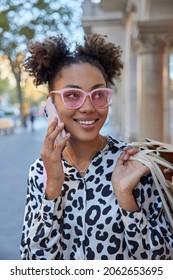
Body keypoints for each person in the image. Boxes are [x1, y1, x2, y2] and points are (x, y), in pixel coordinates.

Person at [20, 34, 173, 260]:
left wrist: (124, 195)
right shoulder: (39, 171)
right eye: (72, 95)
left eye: (98, 94)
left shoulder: (135, 165)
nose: (89, 107)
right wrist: (52, 187)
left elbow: (160, 262)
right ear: (51, 103)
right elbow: (33, 261)